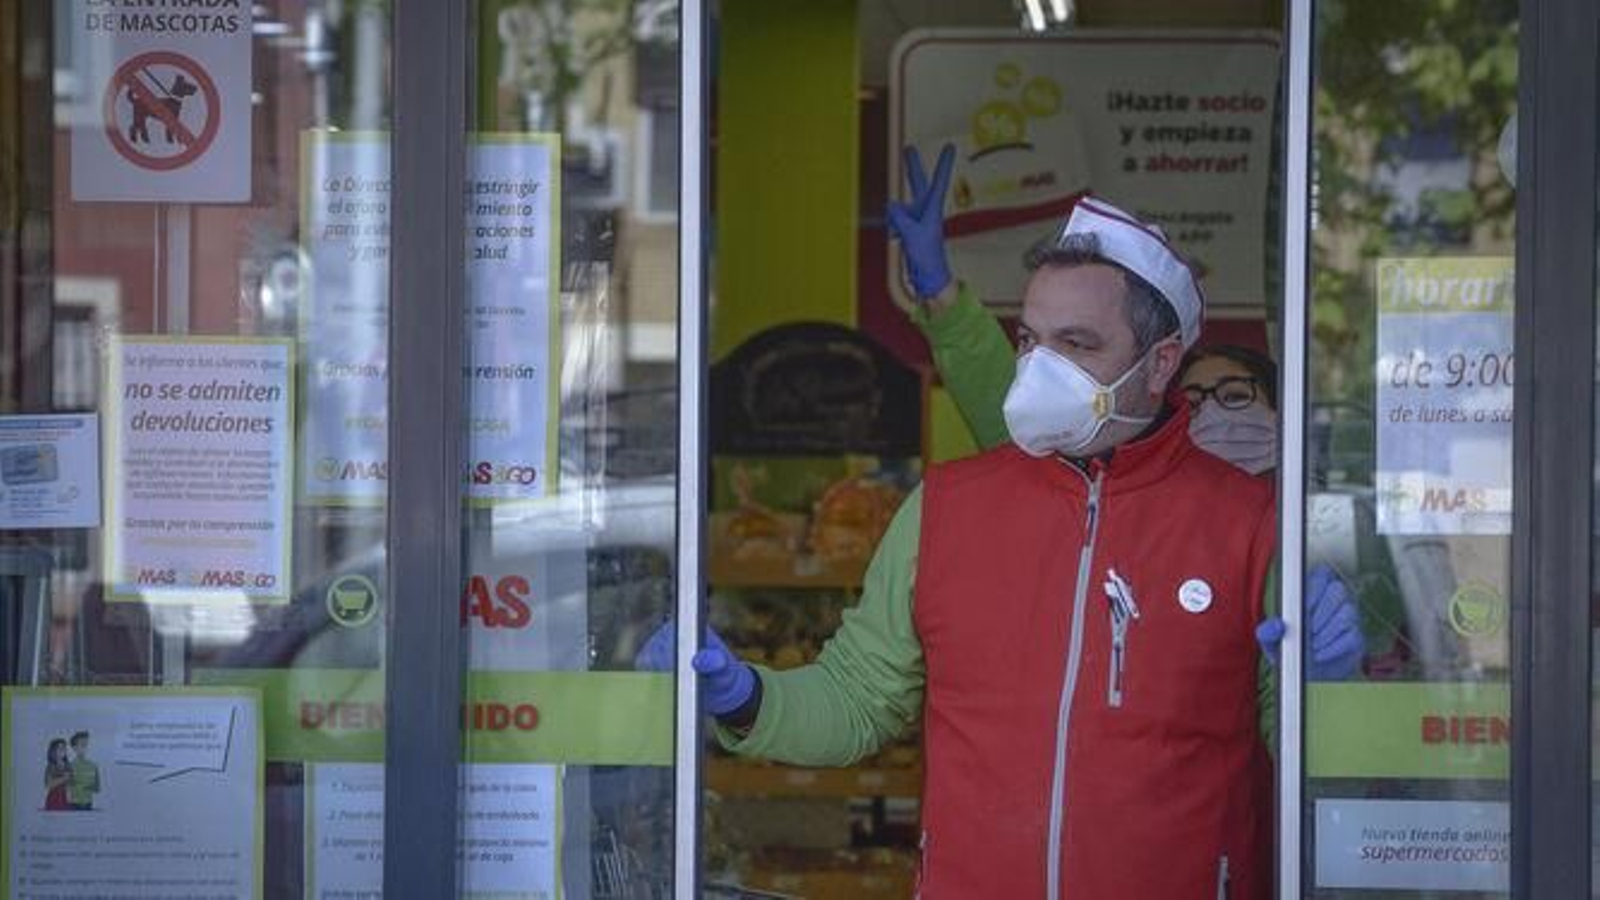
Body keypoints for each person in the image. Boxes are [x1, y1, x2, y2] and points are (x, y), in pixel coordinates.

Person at [643, 193, 1361, 897]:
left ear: (1162, 361)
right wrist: (743, 697)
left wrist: (1324, 696)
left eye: (1077, 343)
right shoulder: (947, 507)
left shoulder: (1250, 524)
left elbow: (1297, 756)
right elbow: (858, 701)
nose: (1040, 366)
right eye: (1029, 340)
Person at [67, 730, 100, 811]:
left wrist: (87, 787)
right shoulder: (69, 766)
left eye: (86, 745)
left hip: (88, 804)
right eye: (82, 745)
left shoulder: (93, 766)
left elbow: (97, 788)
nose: (85, 748)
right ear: (74, 747)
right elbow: (66, 788)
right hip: (73, 805)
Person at [43, 738, 72, 811]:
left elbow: (70, 784)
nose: (63, 751)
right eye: (60, 749)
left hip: (65, 797)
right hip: (54, 797)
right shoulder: (51, 766)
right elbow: (48, 784)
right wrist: (63, 779)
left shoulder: (67, 765)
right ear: (53, 751)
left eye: (64, 748)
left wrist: (70, 798)